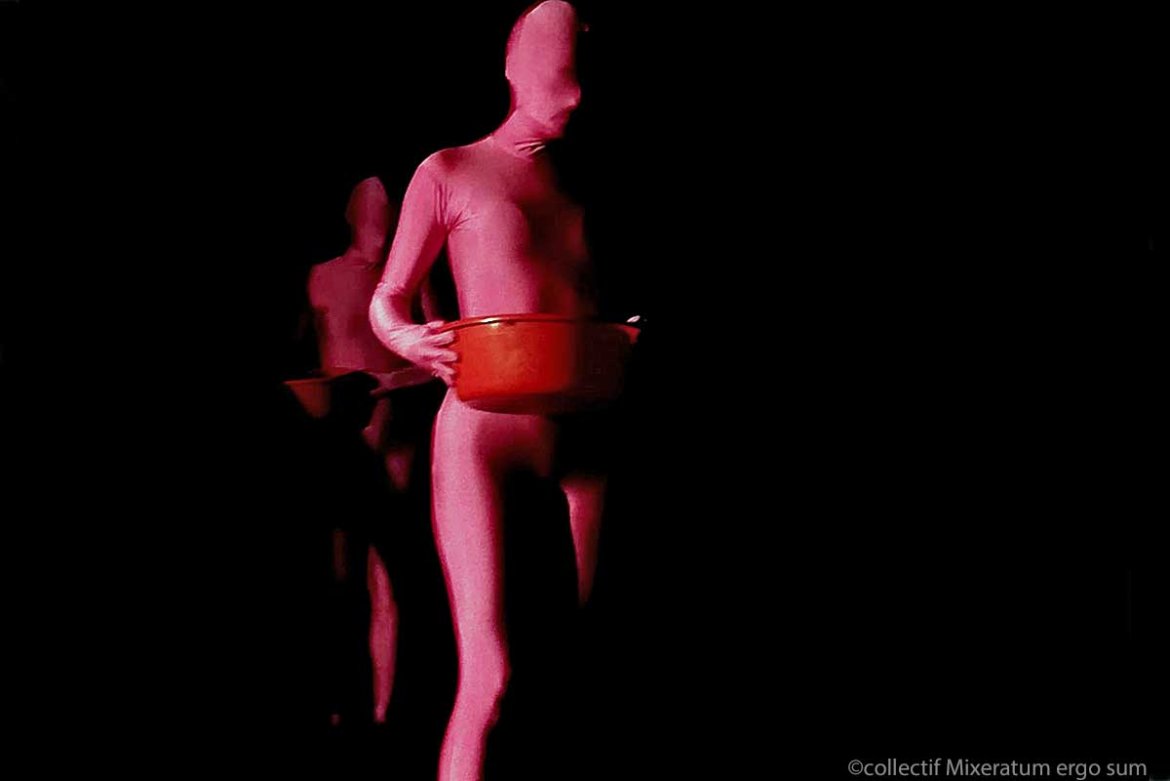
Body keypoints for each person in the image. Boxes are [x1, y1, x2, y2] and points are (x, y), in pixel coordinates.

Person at [369, 4, 606, 778]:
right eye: (557, 75)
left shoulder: (588, 185)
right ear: (513, 69)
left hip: (583, 432)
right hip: (483, 432)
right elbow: (387, 297)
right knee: (490, 675)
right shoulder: (450, 170)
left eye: (580, 77)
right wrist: (408, 338)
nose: (573, 97)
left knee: (575, 667)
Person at [303, 176, 441, 725]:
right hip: (337, 441)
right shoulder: (320, 278)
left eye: (390, 210)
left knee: (388, 577)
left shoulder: (409, 279)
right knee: (338, 574)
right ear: (351, 213)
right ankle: (342, 699)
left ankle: (384, 708)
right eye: (372, 209)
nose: (381, 220)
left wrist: (388, 383)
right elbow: (303, 354)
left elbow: (440, 355)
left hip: (394, 438)